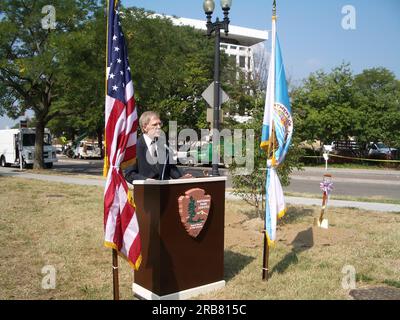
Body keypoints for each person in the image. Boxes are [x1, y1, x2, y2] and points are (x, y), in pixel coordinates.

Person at [124, 111, 192, 182]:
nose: (159, 127)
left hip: (165, 190)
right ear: (145, 127)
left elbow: (170, 168)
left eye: (160, 124)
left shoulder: (164, 145)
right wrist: (146, 180)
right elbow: (130, 174)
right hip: (145, 190)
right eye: (155, 125)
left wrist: (181, 178)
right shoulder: (134, 147)